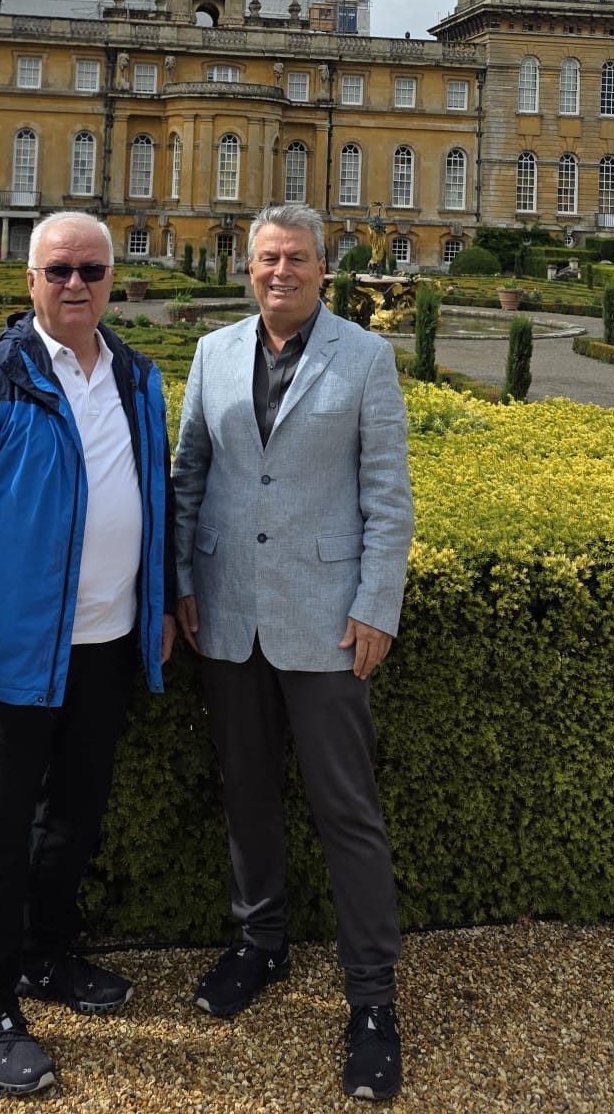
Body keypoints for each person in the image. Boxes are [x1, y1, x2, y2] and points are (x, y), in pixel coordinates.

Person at [0, 211, 175, 1098]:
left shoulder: (138, 378)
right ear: (29, 281)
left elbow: (159, 499)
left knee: (76, 817)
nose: (74, 285)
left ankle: (47, 956)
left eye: (90, 271)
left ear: (111, 279)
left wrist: (162, 606)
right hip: (16, 654)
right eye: (57, 270)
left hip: (104, 646)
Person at [173, 202, 414, 1102]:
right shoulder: (213, 354)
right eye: (268, 258)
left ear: (324, 266)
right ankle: (260, 943)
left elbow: (388, 497)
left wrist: (376, 606)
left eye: (298, 259)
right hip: (229, 613)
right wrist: (183, 584)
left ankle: (373, 1000)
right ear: (249, 267)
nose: (282, 272)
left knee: (347, 810)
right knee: (247, 794)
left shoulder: (366, 357)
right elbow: (189, 475)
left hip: (325, 618)